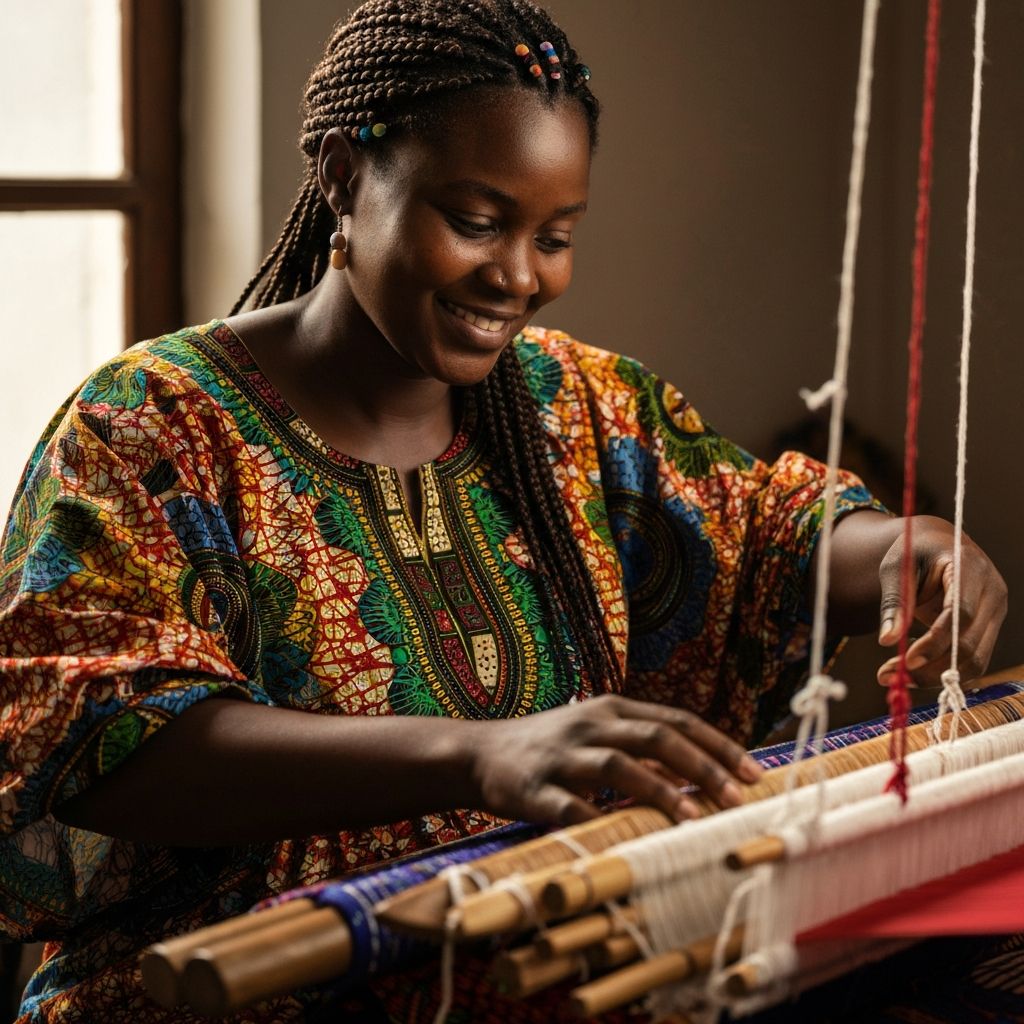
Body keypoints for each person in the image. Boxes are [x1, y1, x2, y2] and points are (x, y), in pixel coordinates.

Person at [0, 1, 1007, 1021]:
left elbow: (764, 536)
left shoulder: (574, 408)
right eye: (476, 222)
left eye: (554, 236)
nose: (519, 276)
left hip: (536, 980)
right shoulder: (154, 424)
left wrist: (904, 549)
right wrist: (487, 753)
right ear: (346, 178)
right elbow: (99, 738)